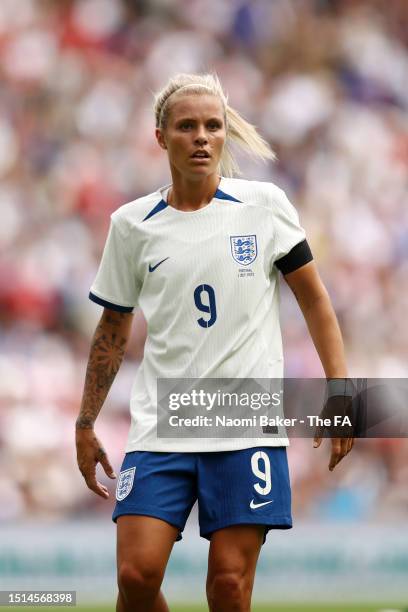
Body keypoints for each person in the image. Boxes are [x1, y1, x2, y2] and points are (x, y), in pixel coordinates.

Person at [75, 72, 353, 612]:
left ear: (226, 135)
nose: (201, 137)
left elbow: (316, 301)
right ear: (161, 137)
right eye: (186, 126)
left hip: (246, 418)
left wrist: (342, 395)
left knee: (228, 585)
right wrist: (86, 422)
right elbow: (113, 328)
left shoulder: (264, 206)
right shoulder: (131, 225)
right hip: (164, 421)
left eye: (212, 126)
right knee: (136, 575)